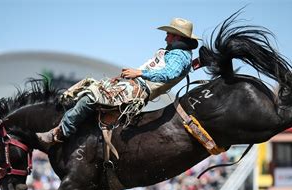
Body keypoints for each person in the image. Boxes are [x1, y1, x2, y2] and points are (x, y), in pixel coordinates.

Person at [37, 17, 199, 145]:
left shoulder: (179, 55)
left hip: (138, 90)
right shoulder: (174, 52)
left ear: (177, 36)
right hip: (132, 85)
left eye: (169, 33)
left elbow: (169, 74)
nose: (166, 36)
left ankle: (60, 133)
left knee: (90, 97)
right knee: (86, 86)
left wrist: (139, 73)